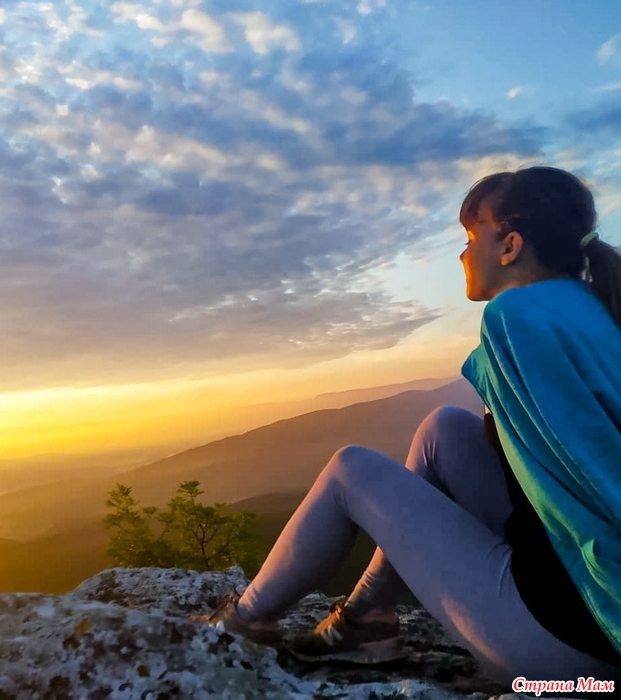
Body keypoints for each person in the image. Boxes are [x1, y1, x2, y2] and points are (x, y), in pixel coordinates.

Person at [202, 166, 621, 686]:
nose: (464, 254)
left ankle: (238, 626)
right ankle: (367, 619)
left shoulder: (517, 316)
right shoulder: (593, 306)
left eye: (472, 237)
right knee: (444, 428)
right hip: (588, 609)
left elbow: (596, 473)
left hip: (577, 640)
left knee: (350, 470)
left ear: (510, 245)